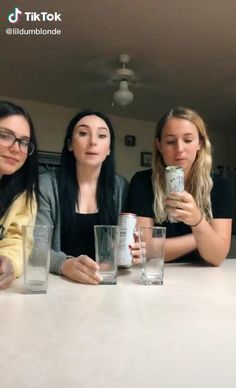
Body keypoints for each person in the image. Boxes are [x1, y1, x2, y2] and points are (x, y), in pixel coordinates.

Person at [127, 106, 233, 266]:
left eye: (188, 140)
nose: (179, 149)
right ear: (159, 145)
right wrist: (202, 235)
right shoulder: (142, 182)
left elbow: (217, 256)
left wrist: (197, 220)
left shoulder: (219, 186)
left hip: (203, 278)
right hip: (154, 274)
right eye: (170, 141)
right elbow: (144, 248)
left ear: (200, 143)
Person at [36, 110, 128, 284]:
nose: (93, 142)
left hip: (107, 284)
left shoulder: (120, 187)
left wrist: (132, 251)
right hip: (60, 285)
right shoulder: (47, 185)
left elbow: (126, 243)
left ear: (109, 149)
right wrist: (64, 264)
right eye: (83, 133)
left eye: (101, 135)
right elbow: (37, 246)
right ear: (70, 144)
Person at [0, 100, 39, 289]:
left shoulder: (23, 194)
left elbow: (18, 238)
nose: (16, 148)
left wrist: (9, 263)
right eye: (5, 136)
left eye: (24, 142)